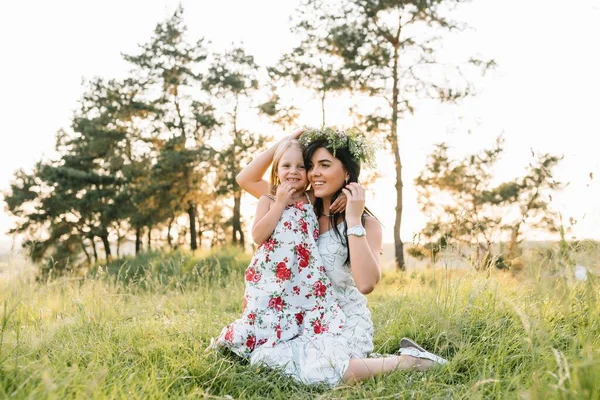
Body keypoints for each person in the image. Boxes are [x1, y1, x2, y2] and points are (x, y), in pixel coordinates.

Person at [232, 127, 448, 386]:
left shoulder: (366, 224)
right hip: (305, 319)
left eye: (325, 165)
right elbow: (246, 179)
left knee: (319, 371)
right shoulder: (297, 203)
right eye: (311, 166)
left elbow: (366, 284)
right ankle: (378, 362)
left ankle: (409, 362)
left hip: (344, 321)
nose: (314, 173)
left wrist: (353, 218)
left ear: (346, 171)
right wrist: (284, 144)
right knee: (266, 360)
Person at [214, 139, 346, 358]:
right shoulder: (268, 198)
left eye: (301, 166)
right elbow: (258, 236)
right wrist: (279, 204)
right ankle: (249, 347)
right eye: (286, 166)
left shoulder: (310, 198)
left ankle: (292, 349)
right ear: (276, 170)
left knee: (301, 315)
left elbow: (336, 186)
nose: (293, 172)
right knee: (264, 314)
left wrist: (344, 194)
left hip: (303, 277)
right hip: (271, 275)